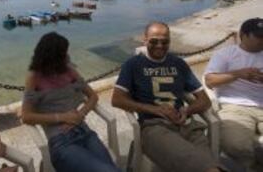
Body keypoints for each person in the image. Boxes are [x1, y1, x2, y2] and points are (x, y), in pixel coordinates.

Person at [111, 22, 224, 172]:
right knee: (205, 167)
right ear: (144, 40)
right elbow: (117, 99)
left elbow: (205, 100)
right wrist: (155, 110)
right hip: (154, 126)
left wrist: (186, 111)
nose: (159, 45)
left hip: (186, 125)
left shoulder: (178, 64)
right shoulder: (133, 65)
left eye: (165, 41)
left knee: (205, 163)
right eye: (154, 41)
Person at [21, 32, 120, 172]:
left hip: (84, 132)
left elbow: (93, 96)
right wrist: (61, 117)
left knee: (110, 168)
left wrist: (81, 113)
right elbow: (26, 116)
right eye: (63, 54)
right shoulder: (34, 77)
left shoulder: (69, 70)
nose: (67, 56)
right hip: (61, 141)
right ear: (51, 57)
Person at [204, 17, 263, 171]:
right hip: (235, 106)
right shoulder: (226, 54)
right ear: (242, 35)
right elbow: (210, 81)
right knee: (235, 145)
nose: (262, 40)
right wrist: (238, 74)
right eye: (258, 36)